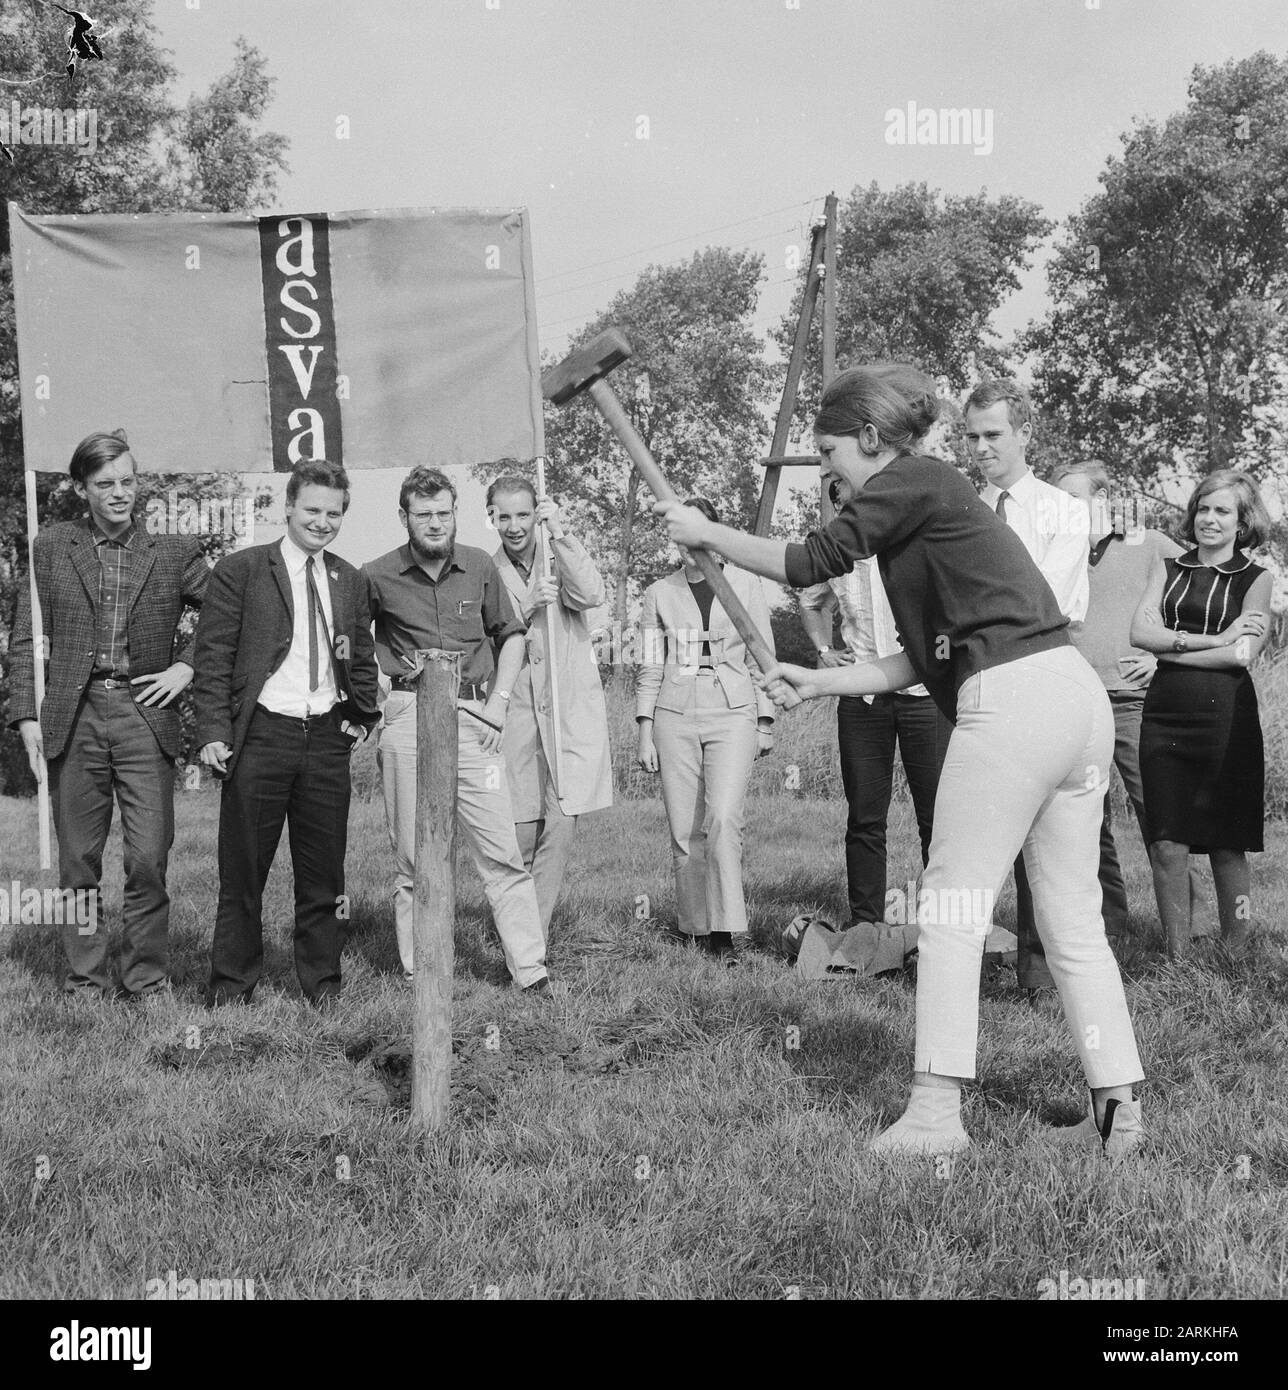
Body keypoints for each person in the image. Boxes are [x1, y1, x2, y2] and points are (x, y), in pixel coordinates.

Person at [657, 366, 1146, 1156]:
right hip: (1069, 698)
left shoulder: (912, 477)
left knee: (950, 909)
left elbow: (809, 560)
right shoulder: (930, 512)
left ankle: (933, 1115)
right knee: (1069, 919)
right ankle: (1116, 1112)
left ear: (872, 439)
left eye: (830, 453)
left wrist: (706, 532)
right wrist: (819, 679)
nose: (828, 473)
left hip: (1016, 701)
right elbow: (916, 662)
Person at [9, 430, 208, 999]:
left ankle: (145, 978)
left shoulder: (173, 552)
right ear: (81, 489)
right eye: (106, 484)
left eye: (128, 480)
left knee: (148, 858)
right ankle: (87, 980)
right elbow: (27, 636)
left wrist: (185, 668)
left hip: (145, 713)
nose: (120, 493)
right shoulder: (52, 546)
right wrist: (26, 713)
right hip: (73, 714)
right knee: (78, 862)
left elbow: (224, 613)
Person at [194, 460, 380, 1009]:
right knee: (244, 871)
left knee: (323, 874)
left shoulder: (349, 579)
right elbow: (213, 658)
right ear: (289, 508)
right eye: (313, 510)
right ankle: (232, 988)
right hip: (261, 736)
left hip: (325, 740)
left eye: (334, 513)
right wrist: (213, 730)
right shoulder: (243, 570)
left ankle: (321, 987)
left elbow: (359, 655)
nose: (322, 522)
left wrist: (361, 715)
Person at [364, 467, 550, 992]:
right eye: (423, 515)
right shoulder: (376, 575)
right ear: (404, 517)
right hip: (409, 720)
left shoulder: (479, 567)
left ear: (455, 514)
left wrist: (500, 703)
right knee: (414, 859)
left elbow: (513, 635)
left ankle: (531, 974)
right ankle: (420, 972)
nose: (435, 523)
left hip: (474, 723)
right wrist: (384, 702)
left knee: (502, 853)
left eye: (444, 513)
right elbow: (351, 646)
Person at [964, 380, 1089, 993]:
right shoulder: (961, 511)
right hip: (970, 685)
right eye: (972, 436)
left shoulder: (1062, 511)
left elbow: (1052, 604)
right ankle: (976, 960)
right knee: (977, 831)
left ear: (1025, 434)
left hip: (1038, 682)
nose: (981, 448)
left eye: (993, 435)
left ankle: (1041, 970)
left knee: (1044, 838)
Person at [1052, 460, 1205, 941]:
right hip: (1074, 706)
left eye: (1075, 500)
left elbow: (1204, 595)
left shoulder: (1150, 545)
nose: (1065, 511)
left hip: (1135, 704)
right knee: (1087, 824)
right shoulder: (1053, 555)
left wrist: (1165, 656)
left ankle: (1193, 932)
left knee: (1159, 818)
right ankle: (1109, 927)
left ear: (1104, 500)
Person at [1130, 470, 1273, 961]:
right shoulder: (1167, 567)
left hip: (1225, 716)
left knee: (1226, 843)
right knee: (1166, 842)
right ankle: (1177, 958)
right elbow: (1138, 633)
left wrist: (1170, 648)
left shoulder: (1258, 578)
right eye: (1204, 509)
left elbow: (1242, 656)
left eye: (1223, 511)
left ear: (1242, 520)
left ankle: (1236, 950)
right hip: (1165, 714)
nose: (1210, 519)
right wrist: (1214, 639)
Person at [636, 499, 775, 964]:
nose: (686, 543)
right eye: (677, 533)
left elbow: (762, 655)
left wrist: (765, 720)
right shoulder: (659, 592)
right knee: (684, 827)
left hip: (733, 711)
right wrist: (644, 728)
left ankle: (727, 931)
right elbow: (650, 666)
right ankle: (694, 928)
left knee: (722, 819)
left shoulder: (745, 583)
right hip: (673, 714)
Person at [798, 557, 952, 934]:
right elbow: (810, 601)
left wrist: (945, 662)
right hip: (862, 698)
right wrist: (824, 650)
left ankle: (944, 927)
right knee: (865, 817)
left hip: (924, 695)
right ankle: (865, 928)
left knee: (937, 819)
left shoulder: (914, 540)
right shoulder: (839, 552)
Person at [487, 473, 613, 933]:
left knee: (560, 827)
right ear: (492, 518)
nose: (515, 525)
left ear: (537, 511)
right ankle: (514, 931)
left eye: (524, 514)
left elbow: (590, 595)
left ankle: (530, 940)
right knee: (519, 832)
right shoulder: (486, 569)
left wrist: (559, 532)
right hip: (516, 713)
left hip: (566, 715)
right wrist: (523, 612)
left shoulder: (557, 552)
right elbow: (481, 645)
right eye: (504, 516)